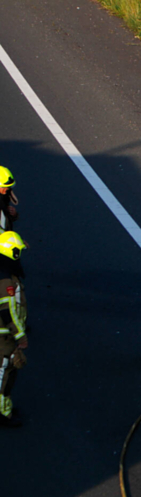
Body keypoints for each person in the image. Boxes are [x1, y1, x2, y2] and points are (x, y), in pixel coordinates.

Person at [0, 231, 27, 427]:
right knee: (5, 374)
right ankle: (3, 413)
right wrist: (20, 335)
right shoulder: (5, 281)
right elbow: (8, 311)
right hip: (4, 337)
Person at [0, 167, 19, 231]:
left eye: (8, 187)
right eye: (4, 187)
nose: (6, 190)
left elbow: (4, 222)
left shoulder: (4, 198)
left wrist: (12, 214)